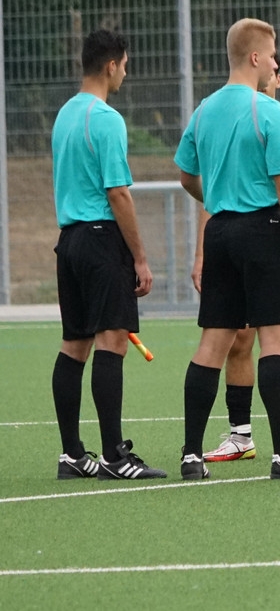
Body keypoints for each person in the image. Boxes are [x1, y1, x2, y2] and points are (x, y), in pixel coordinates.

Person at [174, 18, 280, 480]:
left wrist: (218, 197)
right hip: (264, 232)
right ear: (255, 57)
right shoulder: (267, 111)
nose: (275, 62)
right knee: (277, 340)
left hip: (220, 233)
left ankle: (191, 455)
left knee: (213, 343)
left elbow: (186, 175)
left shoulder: (204, 110)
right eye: (273, 53)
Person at [50, 29, 166, 480]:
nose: (125, 73)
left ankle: (72, 454)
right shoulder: (106, 119)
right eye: (125, 65)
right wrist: (140, 257)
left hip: (70, 242)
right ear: (111, 65)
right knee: (112, 341)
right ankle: (115, 457)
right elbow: (117, 193)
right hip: (100, 240)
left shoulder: (64, 115)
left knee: (74, 344)